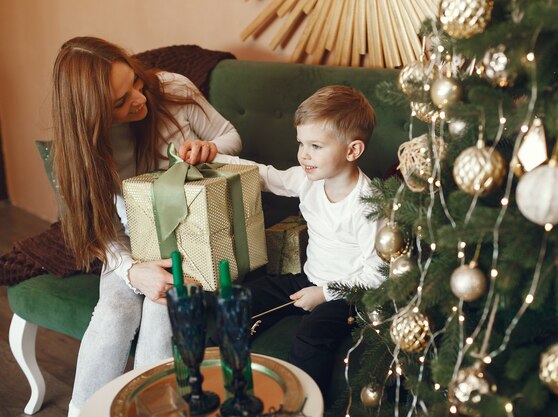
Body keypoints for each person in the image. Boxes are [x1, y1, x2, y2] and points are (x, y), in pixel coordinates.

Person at [51, 36, 242, 416]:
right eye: (119, 102)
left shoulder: (173, 89)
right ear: (90, 115)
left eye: (135, 84)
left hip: (195, 240)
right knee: (114, 312)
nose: (138, 99)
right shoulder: (83, 150)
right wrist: (132, 271)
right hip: (131, 245)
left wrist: (211, 149)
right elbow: (100, 230)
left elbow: (232, 136)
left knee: (160, 310)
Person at [212, 85, 386, 396]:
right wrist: (215, 156)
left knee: (311, 335)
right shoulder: (308, 179)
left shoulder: (368, 205)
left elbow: (377, 274)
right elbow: (264, 176)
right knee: (240, 298)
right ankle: (217, 373)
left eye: (316, 145)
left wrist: (324, 293)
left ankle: (304, 404)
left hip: (348, 295)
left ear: (352, 151)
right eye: (301, 143)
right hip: (309, 278)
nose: (304, 154)